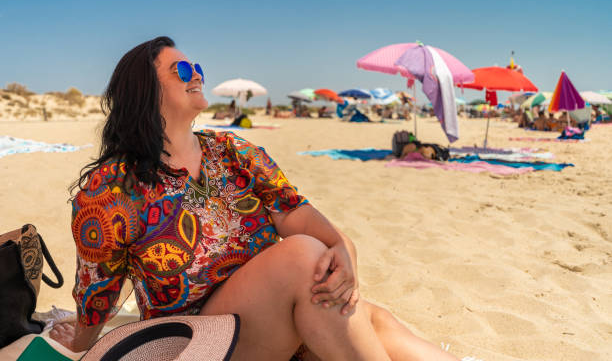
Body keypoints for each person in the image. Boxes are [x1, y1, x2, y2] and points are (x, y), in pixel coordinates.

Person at [49, 37, 458, 361]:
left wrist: (345, 251)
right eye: (183, 70)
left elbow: (300, 216)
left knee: (372, 318)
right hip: (205, 341)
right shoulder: (111, 190)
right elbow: (97, 290)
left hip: (286, 312)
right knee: (301, 260)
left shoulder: (232, 151)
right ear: (144, 90)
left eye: (198, 68)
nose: (198, 75)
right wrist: (81, 336)